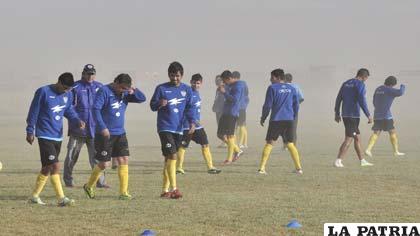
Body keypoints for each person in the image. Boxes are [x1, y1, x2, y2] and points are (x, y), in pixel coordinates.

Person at [83, 74, 146, 200]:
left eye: (125, 89)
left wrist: (134, 91)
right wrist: (102, 127)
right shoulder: (104, 91)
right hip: (104, 134)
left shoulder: (126, 93)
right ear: (115, 82)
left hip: (120, 133)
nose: (123, 91)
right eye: (121, 88)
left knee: (124, 160)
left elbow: (142, 99)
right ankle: (89, 186)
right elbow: (95, 110)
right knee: (104, 164)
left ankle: (123, 193)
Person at [26, 72, 85, 206]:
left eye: (68, 89)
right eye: (64, 88)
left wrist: (76, 120)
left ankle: (34, 197)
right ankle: (61, 198)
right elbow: (33, 111)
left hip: (57, 135)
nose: (66, 91)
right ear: (58, 82)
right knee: (55, 165)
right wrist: (30, 130)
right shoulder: (43, 92)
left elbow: (68, 110)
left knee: (47, 167)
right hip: (44, 134)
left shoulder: (68, 94)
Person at [150, 61, 196, 199]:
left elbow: (190, 108)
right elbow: (152, 105)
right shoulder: (161, 88)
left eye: (177, 76)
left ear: (182, 75)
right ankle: (175, 189)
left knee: (168, 159)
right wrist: (159, 103)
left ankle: (165, 190)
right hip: (165, 127)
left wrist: (192, 122)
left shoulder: (187, 90)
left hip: (179, 128)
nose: (174, 78)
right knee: (173, 156)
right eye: (172, 75)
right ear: (168, 75)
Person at [63, 64, 109, 188]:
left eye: (92, 73)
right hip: (78, 130)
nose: (90, 76)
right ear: (83, 73)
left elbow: (105, 107)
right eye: (88, 73)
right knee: (72, 156)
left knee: (97, 158)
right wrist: (76, 120)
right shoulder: (75, 87)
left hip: (95, 129)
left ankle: (101, 182)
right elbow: (68, 107)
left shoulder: (100, 87)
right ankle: (68, 181)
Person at [257, 69, 303, 174]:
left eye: (272, 77)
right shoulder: (291, 88)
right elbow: (296, 105)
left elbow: (267, 105)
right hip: (289, 120)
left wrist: (263, 117)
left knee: (269, 143)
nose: (270, 79)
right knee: (290, 143)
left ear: (278, 78)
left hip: (276, 119)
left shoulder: (272, 88)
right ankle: (299, 168)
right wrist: (293, 116)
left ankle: (262, 168)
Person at [176, 73, 222, 175]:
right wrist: (190, 122)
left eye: (198, 83)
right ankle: (178, 168)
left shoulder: (197, 93)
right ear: (190, 82)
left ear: (201, 83)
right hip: (187, 125)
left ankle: (210, 167)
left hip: (197, 125)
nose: (196, 85)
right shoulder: (188, 93)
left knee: (205, 143)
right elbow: (185, 109)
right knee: (183, 146)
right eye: (194, 83)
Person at [334, 68, 373, 167]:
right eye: (366, 78)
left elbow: (339, 98)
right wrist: (368, 115)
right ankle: (338, 160)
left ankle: (362, 161)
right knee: (349, 139)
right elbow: (362, 100)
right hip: (353, 116)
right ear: (364, 76)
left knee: (357, 138)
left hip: (345, 115)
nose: (366, 80)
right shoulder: (360, 84)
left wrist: (337, 113)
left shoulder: (346, 83)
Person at [365, 76, 406, 157]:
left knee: (376, 132)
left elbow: (374, 101)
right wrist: (403, 85)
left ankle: (368, 150)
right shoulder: (389, 89)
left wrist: (378, 108)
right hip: (386, 115)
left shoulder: (378, 89)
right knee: (392, 132)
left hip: (377, 114)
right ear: (392, 84)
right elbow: (401, 92)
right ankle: (396, 151)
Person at [217, 70, 246, 164]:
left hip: (232, 113)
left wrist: (224, 92)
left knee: (230, 136)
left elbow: (234, 100)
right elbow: (225, 89)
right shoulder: (230, 85)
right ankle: (237, 150)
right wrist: (222, 88)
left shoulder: (238, 86)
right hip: (225, 112)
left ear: (229, 78)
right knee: (220, 135)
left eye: (224, 81)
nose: (224, 83)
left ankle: (229, 159)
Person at [284, 73, 304, 147]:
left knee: (284, 128)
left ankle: (286, 144)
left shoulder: (283, 87)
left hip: (285, 110)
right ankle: (294, 145)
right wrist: (296, 104)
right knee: (293, 128)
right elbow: (301, 98)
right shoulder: (296, 87)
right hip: (294, 110)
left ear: (285, 79)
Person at [233, 71, 249, 149]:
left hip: (236, 107)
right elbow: (246, 94)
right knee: (242, 125)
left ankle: (238, 143)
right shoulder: (244, 84)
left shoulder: (236, 85)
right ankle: (242, 143)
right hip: (243, 107)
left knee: (237, 126)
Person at [212, 75, 226, 148]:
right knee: (220, 127)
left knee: (222, 129)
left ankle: (228, 142)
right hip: (218, 110)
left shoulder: (225, 88)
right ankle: (225, 141)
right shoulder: (218, 89)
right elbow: (216, 99)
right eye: (216, 80)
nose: (217, 82)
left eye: (219, 80)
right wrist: (214, 106)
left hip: (223, 111)